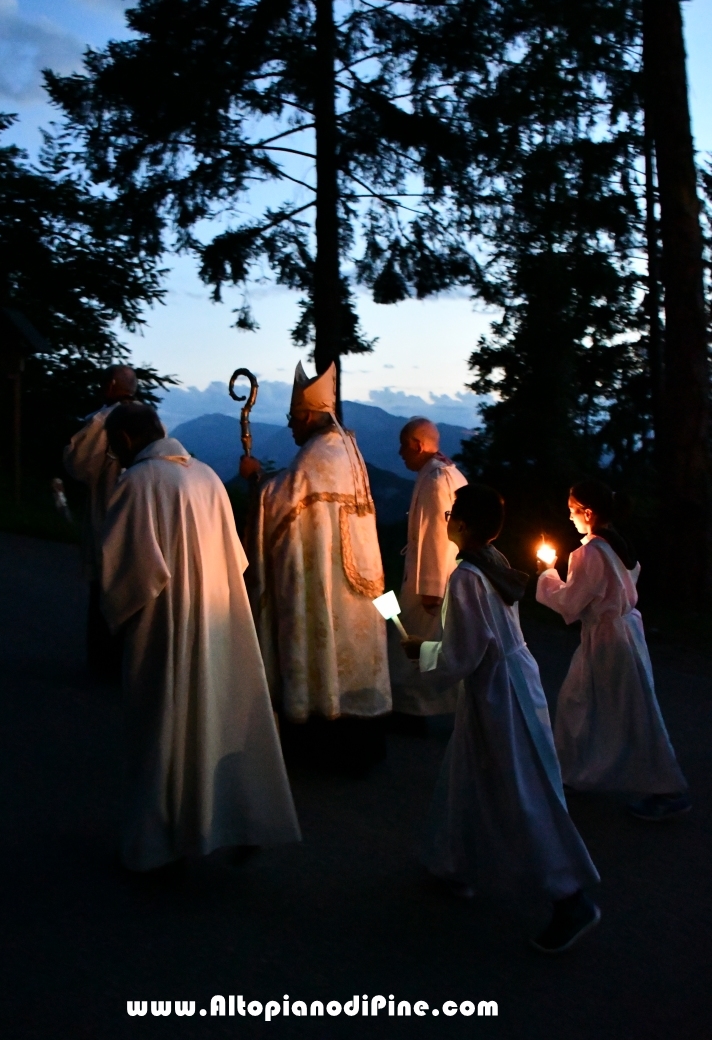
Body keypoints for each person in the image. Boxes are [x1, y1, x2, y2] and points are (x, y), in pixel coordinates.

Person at [101, 402, 301, 872]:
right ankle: (234, 820)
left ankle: (157, 845)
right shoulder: (208, 477)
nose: (114, 456)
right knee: (217, 723)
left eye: (113, 448)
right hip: (216, 618)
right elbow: (237, 557)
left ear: (128, 440)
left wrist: (116, 616)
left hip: (166, 626)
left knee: (163, 727)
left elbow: (128, 573)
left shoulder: (138, 483)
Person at [403, 484, 600, 954]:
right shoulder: (492, 562)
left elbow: (464, 653)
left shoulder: (466, 577)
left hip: (498, 690)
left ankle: (570, 897)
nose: (446, 518)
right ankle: (455, 863)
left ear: (464, 526)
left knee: (521, 790)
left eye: (451, 514)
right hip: (509, 680)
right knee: (468, 775)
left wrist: (422, 652)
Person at [241, 362, 391, 773]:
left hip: (330, 584)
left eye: (293, 419)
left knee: (323, 655)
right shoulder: (344, 446)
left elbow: (282, 503)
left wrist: (255, 481)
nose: (290, 427)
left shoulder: (317, 455)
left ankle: (317, 748)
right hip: (359, 587)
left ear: (308, 416)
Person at [536, 478, 690, 822]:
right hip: (622, 632)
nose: (570, 518)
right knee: (580, 702)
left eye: (573, 511)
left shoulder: (590, 553)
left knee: (631, 711)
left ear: (587, 513)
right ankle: (574, 774)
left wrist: (547, 574)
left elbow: (571, 603)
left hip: (609, 638)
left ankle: (667, 789)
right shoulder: (617, 544)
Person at [63, 365, 141, 680]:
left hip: (108, 515)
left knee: (104, 588)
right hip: (138, 516)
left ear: (110, 386)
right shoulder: (149, 418)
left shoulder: (103, 421)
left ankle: (103, 662)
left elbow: (77, 464)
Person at [387, 417, 467, 718]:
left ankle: (416, 709)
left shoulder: (435, 481)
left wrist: (431, 589)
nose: (400, 453)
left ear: (418, 445)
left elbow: (436, 536)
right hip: (448, 575)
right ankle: (433, 705)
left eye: (403, 446)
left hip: (429, 581)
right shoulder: (452, 474)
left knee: (416, 643)